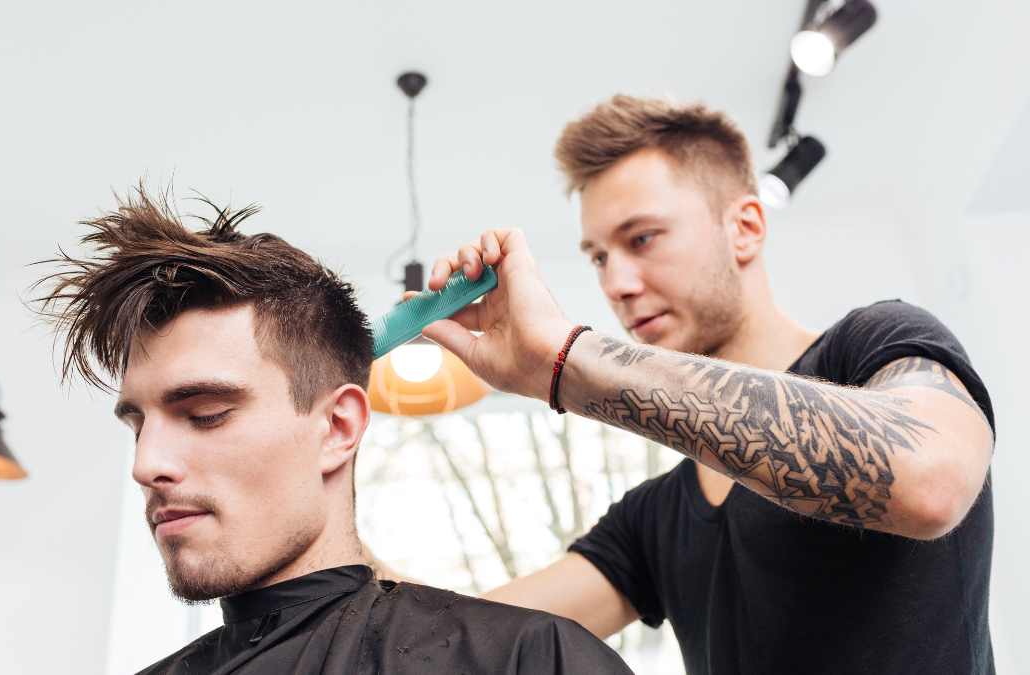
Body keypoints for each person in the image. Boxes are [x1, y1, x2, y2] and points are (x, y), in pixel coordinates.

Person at [406, 96, 997, 674]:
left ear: (744, 228)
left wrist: (566, 360)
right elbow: (458, 642)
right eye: (597, 257)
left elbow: (932, 481)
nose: (617, 283)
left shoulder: (877, 344)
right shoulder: (655, 518)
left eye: (641, 239)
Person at [33, 188, 634, 675]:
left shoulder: (528, 660)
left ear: (338, 426)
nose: (146, 465)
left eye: (206, 414)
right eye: (137, 425)